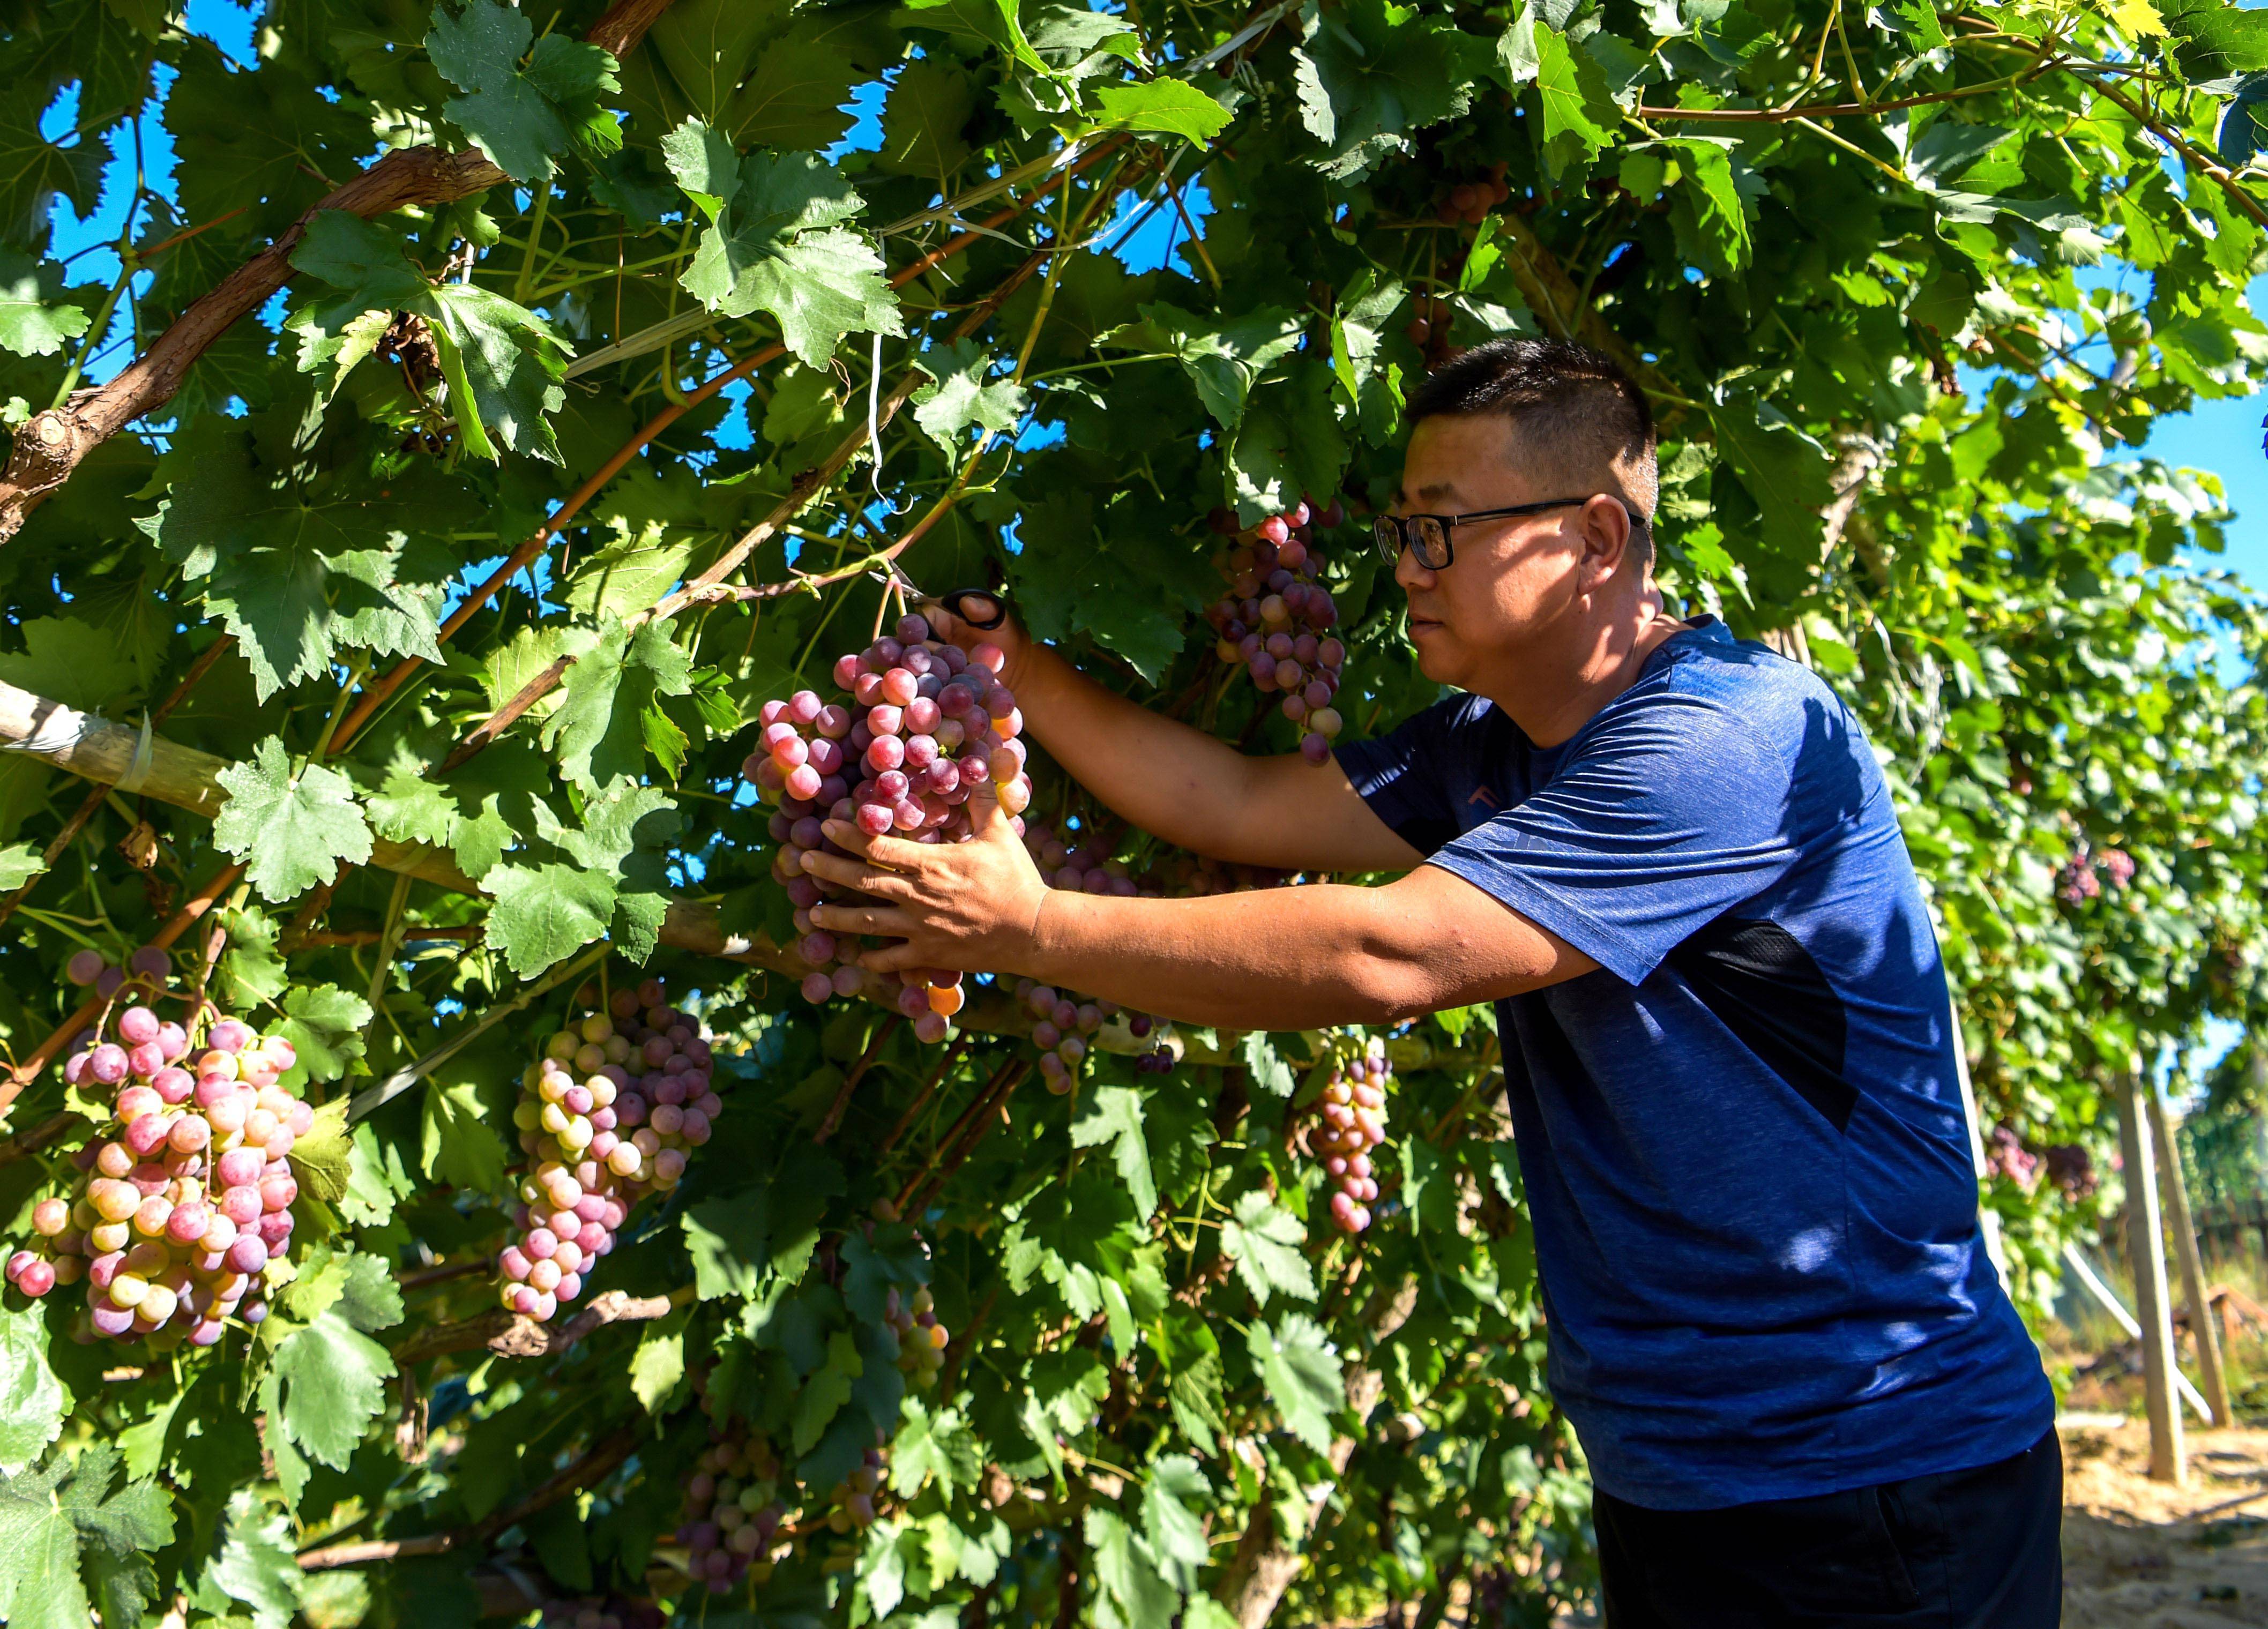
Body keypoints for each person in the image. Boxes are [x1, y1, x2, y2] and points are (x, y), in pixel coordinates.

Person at [802, 337, 2060, 1626]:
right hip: (1683, 1469)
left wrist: (1027, 928)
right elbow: (1232, 801)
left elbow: (1388, 954)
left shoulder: (1730, 735)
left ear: (1594, 538)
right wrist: (1009, 663)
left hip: (1880, 1472)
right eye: (1405, 529)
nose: (1405, 566)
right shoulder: (1496, 751)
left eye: (1442, 531)